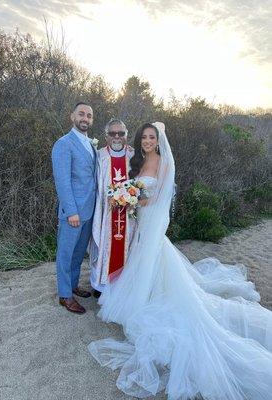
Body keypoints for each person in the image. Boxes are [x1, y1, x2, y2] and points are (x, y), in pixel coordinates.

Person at [88, 122, 272, 399]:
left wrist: (131, 197)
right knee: (144, 261)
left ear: (158, 140)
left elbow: (160, 197)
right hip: (141, 223)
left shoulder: (162, 162)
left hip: (152, 222)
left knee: (153, 259)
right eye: (144, 137)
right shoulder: (138, 160)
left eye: (151, 137)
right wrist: (129, 194)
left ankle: (147, 299)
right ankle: (148, 293)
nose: (147, 141)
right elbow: (137, 190)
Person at [52, 102, 97, 314]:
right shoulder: (64, 144)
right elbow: (62, 181)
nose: (85, 118)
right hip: (73, 213)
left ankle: (73, 285)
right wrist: (71, 212)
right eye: (81, 114)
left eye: (88, 115)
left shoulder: (91, 144)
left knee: (79, 253)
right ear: (72, 116)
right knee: (66, 253)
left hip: (89, 210)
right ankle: (65, 295)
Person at [89, 118, 134, 298]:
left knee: (127, 247)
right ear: (106, 136)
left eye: (121, 133)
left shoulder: (133, 156)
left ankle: (123, 285)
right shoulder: (99, 156)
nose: (117, 137)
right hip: (105, 213)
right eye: (112, 133)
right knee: (103, 246)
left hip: (129, 215)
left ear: (126, 136)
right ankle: (101, 286)